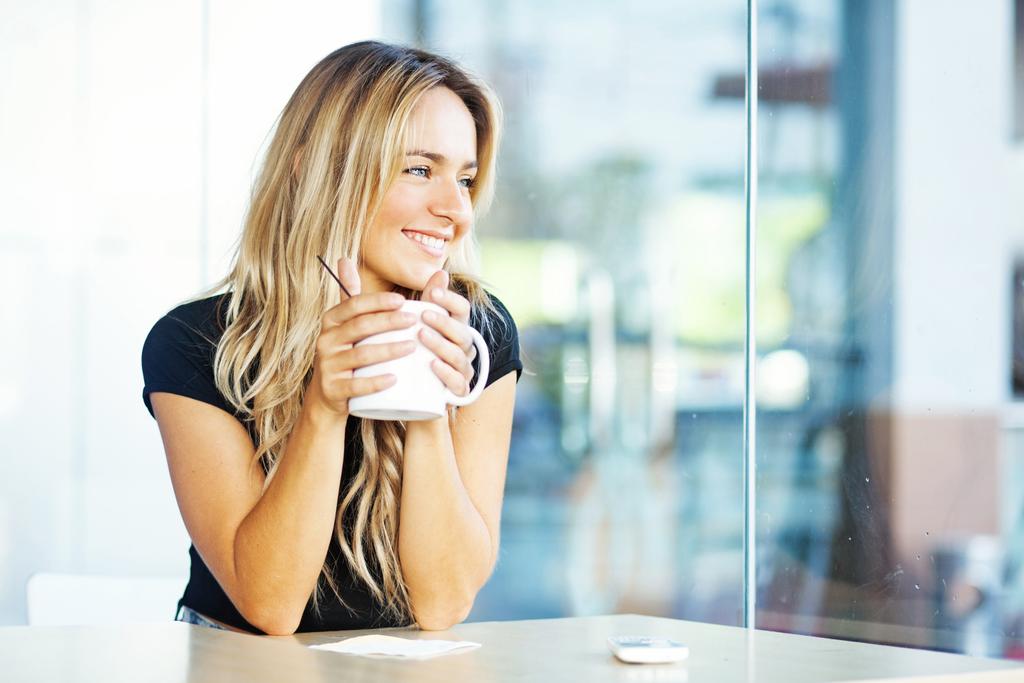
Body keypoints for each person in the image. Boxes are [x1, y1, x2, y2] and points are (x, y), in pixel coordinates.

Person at [141, 41, 522, 635]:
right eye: (420, 170)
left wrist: (425, 403)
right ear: (318, 170)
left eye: (465, 179)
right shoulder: (196, 343)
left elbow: (443, 604)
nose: (457, 209)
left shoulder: (479, 332)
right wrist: (322, 409)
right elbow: (271, 607)